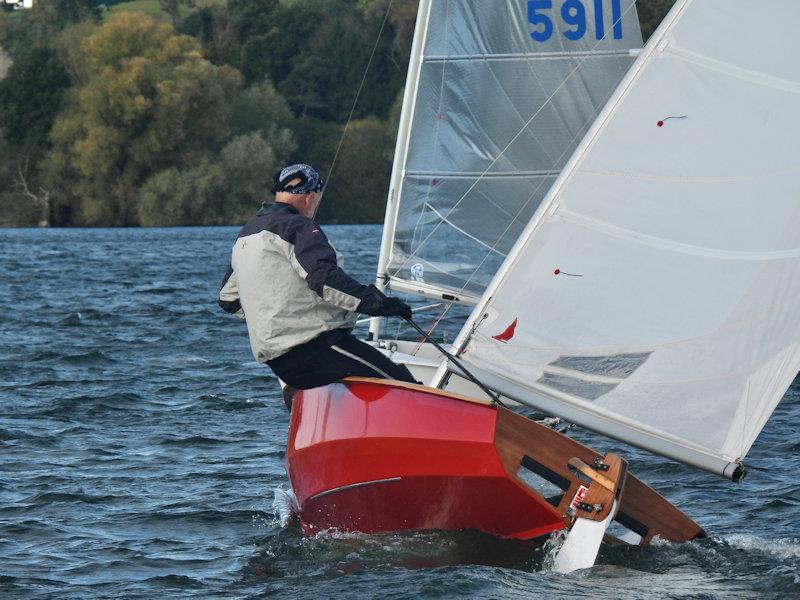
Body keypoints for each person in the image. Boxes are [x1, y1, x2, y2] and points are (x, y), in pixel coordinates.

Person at [219, 163, 417, 399]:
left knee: (369, 381)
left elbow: (228, 299)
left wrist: (272, 311)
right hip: (318, 348)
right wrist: (379, 304)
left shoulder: (247, 233)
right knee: (405, 386)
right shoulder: (298, 227)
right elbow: (325, 280)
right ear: (310, 197)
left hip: (281, 365)